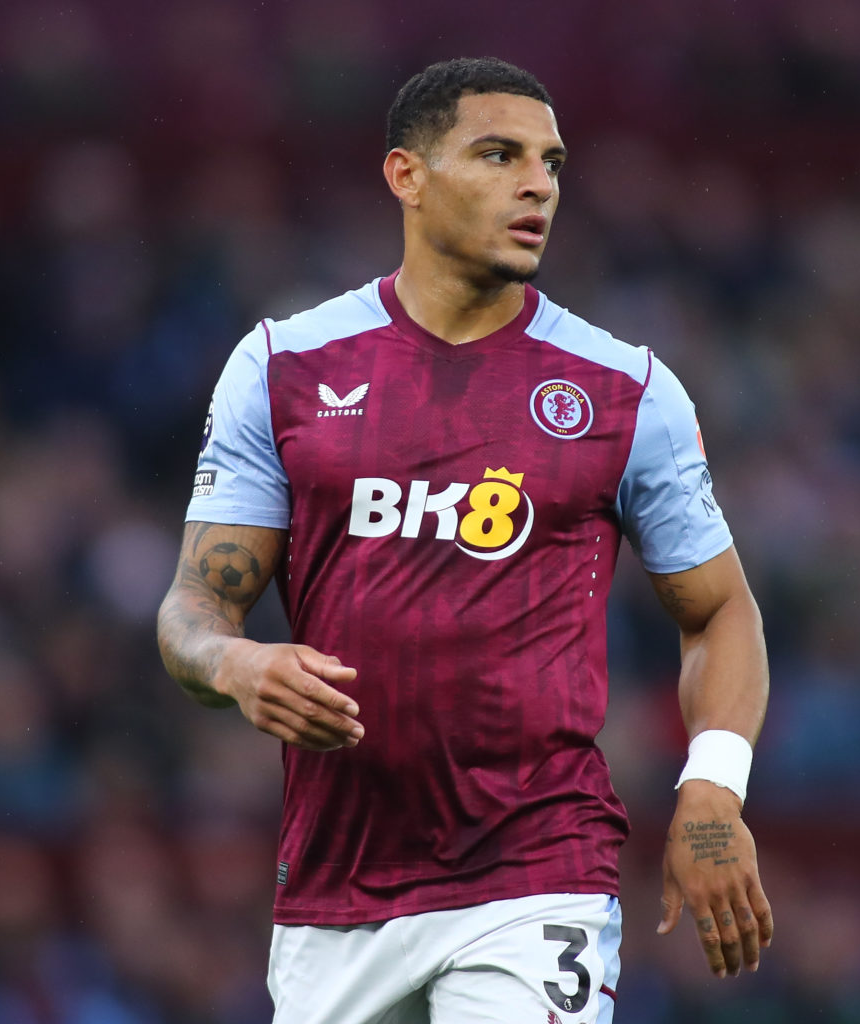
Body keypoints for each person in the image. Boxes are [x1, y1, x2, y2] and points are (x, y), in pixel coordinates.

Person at [156, 56, 772, 1024]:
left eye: (552, 163)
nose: (539, 184)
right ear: (407, 175)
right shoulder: (283, 367)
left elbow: (720, 608)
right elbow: (194, 608)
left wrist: (713, 790)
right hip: (336, 883)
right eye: (499, 155)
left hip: (536, 868)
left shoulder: (624, 390)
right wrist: (233, 662)